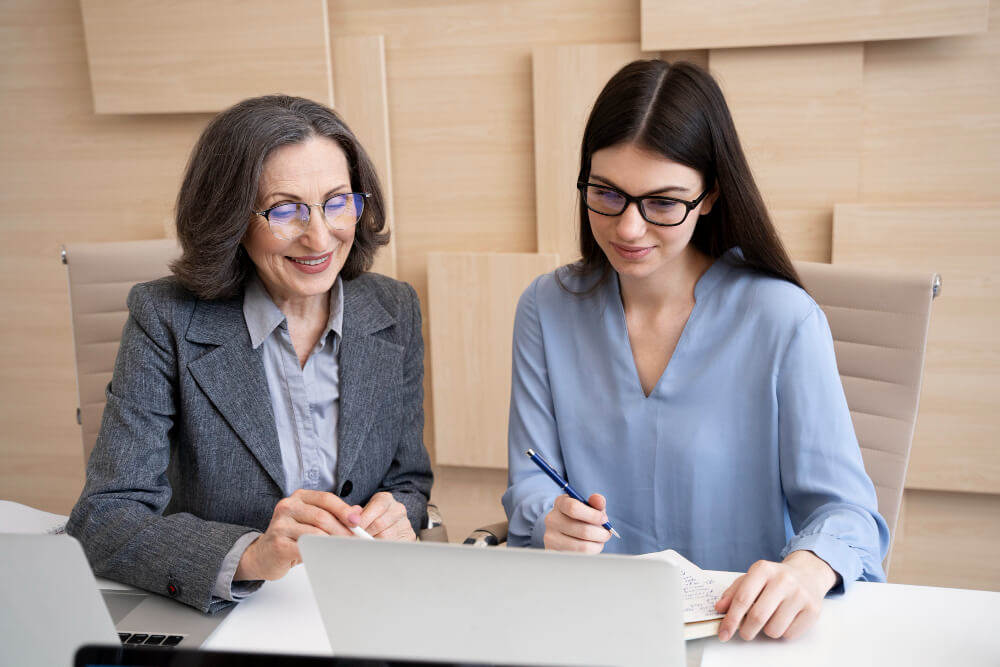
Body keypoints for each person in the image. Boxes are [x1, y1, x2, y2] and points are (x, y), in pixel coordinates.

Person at [501, 60, 889, 642]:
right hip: (588, 628)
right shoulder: (545, 308)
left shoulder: (783, 319)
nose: (628, 229)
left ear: (708, 196)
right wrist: (550, 520)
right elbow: (530, 485)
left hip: (742, 637)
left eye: (663, 202)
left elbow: (848, 515)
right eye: (606, 193)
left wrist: (807, 568)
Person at [68, 95, 433, 613]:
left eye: (337, 201)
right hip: (230, 610)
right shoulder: (165, 317)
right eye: (285, 210)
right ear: (230, 218)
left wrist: (399, 515)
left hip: (361, 603)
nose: (319, 235)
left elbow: (408, 481)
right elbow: (104, 519)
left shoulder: (395, 309)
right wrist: (252, 556)